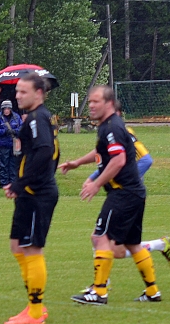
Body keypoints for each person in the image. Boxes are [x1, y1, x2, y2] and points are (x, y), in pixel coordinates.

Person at [61, 85, 163, 305]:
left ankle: (99, 292)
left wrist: (97, 183)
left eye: (95, 101)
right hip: (134, 193)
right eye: (89, 102)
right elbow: (102, 153)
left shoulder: (112, 128)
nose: (91, 105)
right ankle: (153, 291)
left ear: (108, 103)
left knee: (100, 238)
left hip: (122, 193)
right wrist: (77, 163)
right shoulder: (108, 127)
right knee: (133, 244)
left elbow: (118, 160)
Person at [3, 74, 60, 324]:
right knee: (17, 246)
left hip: (38, 193)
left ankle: (35, 312)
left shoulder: (38, 118)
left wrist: (22, 182)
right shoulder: (39, 118)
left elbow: (46, 151)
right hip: (30, 192)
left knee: (32, 249)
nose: (17, 96)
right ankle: (33, 304)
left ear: (39, 93)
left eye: (23, 92)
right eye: (17, 91)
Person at [0, 100, 22, 188]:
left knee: (13, 164)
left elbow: (22, 128)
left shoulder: (16, 117)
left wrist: (15, 131)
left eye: (8, 108)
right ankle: (4, 183)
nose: (7, 110)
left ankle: (13, 182)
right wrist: (4, 131)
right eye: (5, 108)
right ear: (2, 109)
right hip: (2, 144)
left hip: (14, 145)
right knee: (3, 164)